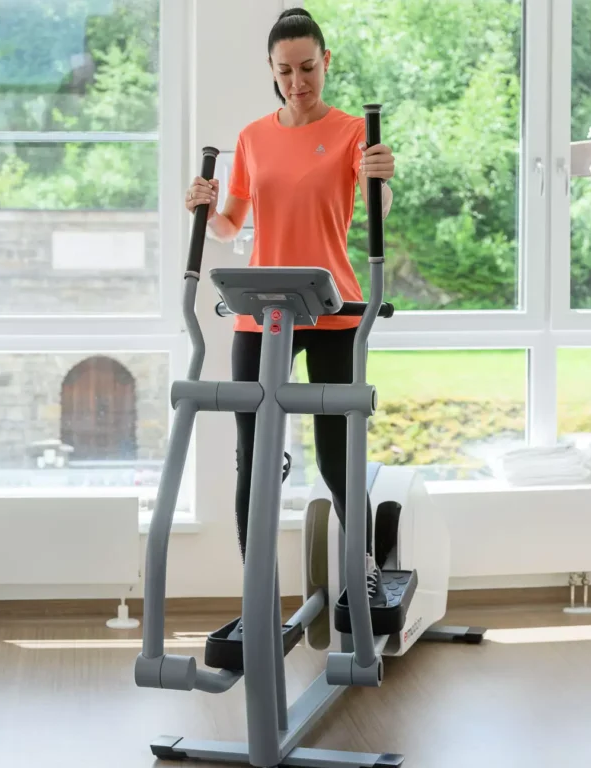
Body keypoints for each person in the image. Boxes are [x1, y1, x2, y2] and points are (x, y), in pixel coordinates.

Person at [185, 8, 396, 604]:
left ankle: (365, 571)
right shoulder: (253, 137)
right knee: (251, 456)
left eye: (308, 68)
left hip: (333, 307)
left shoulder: (356, 131)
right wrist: (203, 206)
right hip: (262, 309)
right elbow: (230, 225)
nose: (298, 81)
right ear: (272, 71)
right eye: (286, 71)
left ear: (325, 63)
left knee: (338, 452)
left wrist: (382, 178)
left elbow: (375, 213)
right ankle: (255, 590)